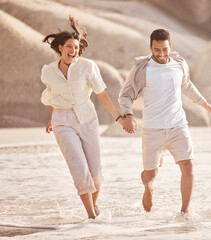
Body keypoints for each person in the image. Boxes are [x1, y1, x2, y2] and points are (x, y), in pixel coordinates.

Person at [119, 29, 211, 214]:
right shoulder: (142, 69)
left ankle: (185, 212)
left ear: (170, 46)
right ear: (150, 47)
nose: (161, 54)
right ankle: (148, 187)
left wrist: (206, 105)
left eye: (165, 49)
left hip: (178, 125)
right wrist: (128, 115)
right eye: (157, 50)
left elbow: (187, 85)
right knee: (150, 174)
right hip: (153, 130)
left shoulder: (179, 65)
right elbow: (125, 95)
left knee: (188, 165)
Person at [40, 16, 124, 219]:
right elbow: (53, 97)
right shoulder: (48, 71)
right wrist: (53, 118)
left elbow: (102, 95)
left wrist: (119, 118)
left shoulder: (88, 67)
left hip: (87, 120)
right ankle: (91, 217)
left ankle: (94, 207)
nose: (73, 51)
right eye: (69, 47)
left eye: (76, 48)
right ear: (60, 48)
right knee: (79, 167)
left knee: (95, 173)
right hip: (62, 121)